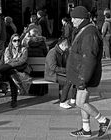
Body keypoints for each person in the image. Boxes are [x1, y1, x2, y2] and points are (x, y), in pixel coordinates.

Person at [66, 6, 110, 138]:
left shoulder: (89, 33)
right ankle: (86, 129)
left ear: (81, 19)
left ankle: (103, 121)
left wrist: (82, 80)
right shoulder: (85, 29)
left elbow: (89, 59)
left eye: (74, 18)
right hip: (82, 75)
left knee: (80, 102)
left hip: (84, 76)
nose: (72, 21)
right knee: (83, 103)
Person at [44, 39, 76, 109]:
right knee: (69, 81)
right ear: (62, 45)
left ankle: (73, 99)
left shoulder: (63, 52)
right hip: (51, 74)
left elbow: (66, 63)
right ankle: (63, 102)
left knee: (74, 77)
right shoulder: (52, 52)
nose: (67, 48)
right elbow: (53, 67)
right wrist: (66, 70)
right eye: (67, 47)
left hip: (58, 73)